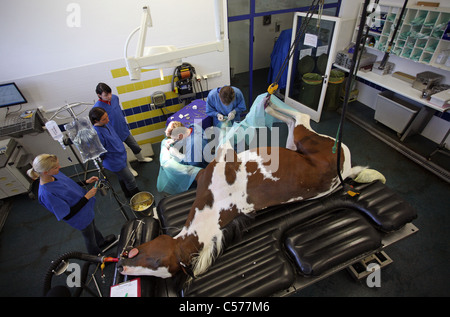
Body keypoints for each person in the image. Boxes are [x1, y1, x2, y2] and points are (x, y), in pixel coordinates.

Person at [27, 154, 115, 255]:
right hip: (79, 217)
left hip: (85, 209)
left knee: (92, 227)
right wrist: (86, 197)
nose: (59, 167)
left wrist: (85, 182)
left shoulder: (55, 174)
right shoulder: (47, 194)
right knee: (89, 236)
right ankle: (96, 257)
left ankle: (100, 241)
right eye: (56, 167)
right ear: (45, 172)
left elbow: (69, 185)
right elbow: (68, 215)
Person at [94, 82, 152, 176]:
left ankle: (141, 158)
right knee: (122, 152)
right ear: (99, 95)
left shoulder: (115, 98)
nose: (109, 96)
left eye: (110, 93)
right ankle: (129, 168)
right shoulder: (97, 108)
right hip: (113, 134)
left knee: (134, 145)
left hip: (123, 129)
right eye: (105, 95)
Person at [89, 107, 140, 198]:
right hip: (114, 161)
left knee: (122, 177)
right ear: (96, 120)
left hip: (120, 156)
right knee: (130, 179)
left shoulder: (105, 124)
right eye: (104, 119)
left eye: (107, 117)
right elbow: (100, 153)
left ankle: (127, 194)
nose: (108, 120)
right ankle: (137, 197)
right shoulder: (97, 134)